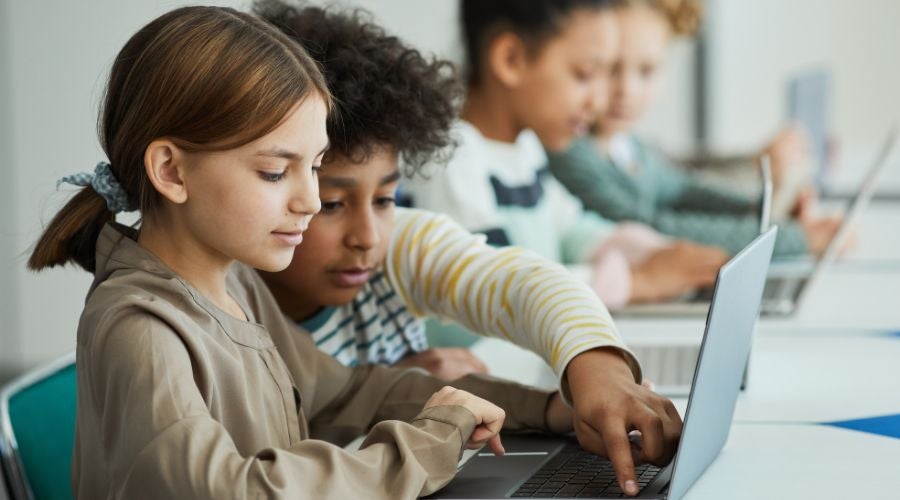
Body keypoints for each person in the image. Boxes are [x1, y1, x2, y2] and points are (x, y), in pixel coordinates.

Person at [26, 7, 580, 498]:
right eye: (274, 171)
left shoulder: (234, 285)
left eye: (313, 168)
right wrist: (429, 442)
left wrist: (549, 409)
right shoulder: (143, 331)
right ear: (171, 170)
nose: (310, 199)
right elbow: (231, 491)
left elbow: (349, 393)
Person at [255, 3, 679, 497]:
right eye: (330, 204)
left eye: (386, 198)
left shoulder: (397, 245)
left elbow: (519, 283)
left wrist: (598, 369)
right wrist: (396, 390)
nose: (367, 235)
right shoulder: (234, 305)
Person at [405, 0, 729, 312]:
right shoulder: (451, 158)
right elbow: (494, 292)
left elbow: (573, 229)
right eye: (584, 74)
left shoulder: (524, 150)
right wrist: (635, 282)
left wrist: (655, 251)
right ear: (511, 59)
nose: (600, 102)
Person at [547, 0, 843, 256]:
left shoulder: (629, 145)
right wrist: (797, 238)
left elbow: (683, 190)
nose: (626, 90)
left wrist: (756, 211)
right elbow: (655, 229)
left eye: (647, 71)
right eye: (610, 68)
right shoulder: (568, 151)